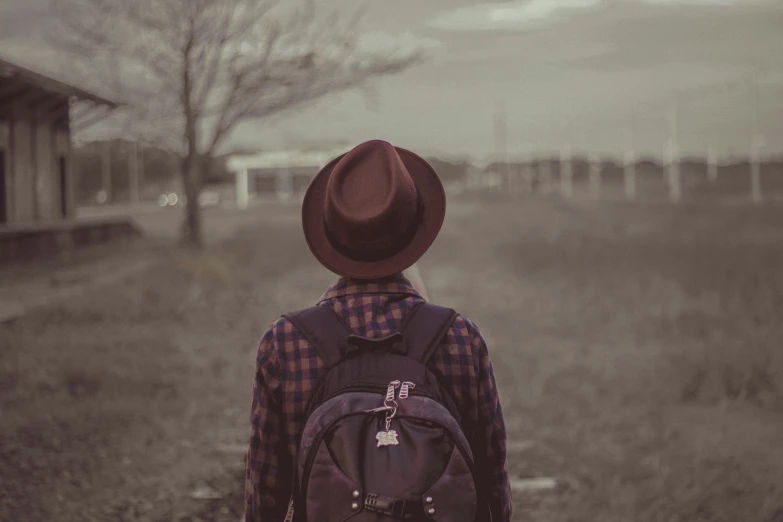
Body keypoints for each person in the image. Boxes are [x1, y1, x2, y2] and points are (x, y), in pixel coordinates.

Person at [244, 140, 511, 522]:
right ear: (414, 231)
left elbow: (264, 490)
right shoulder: (461, 338)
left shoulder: (285, 342)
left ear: (331, 233)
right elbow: (491, 480)